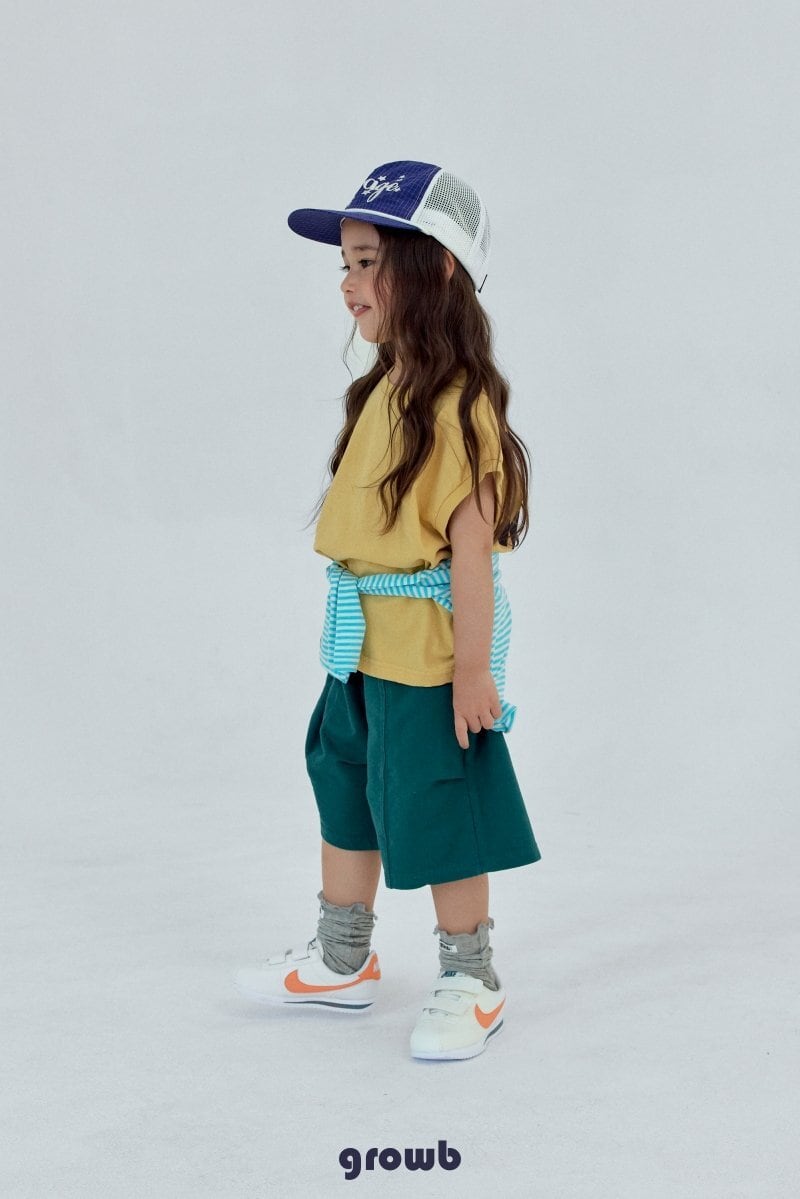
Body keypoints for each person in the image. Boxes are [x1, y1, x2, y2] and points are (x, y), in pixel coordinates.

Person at [236, 160, 540, 1060]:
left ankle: (471, 974)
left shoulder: (459, 406)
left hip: (426, 661)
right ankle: (344, 956)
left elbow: (472, 554)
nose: (348, 282)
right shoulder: (384, 387)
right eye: (346, 264)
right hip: (357, 648)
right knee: (343, 782)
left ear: (437, 267)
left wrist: (474, 671)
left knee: (441, 805)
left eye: (368, 261)